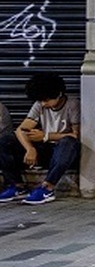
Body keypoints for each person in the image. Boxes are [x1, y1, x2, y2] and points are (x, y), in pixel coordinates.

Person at [0, 72, 82, 205]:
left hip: (63, 154)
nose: (43, 104)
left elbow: (76, 135)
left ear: (59, 94)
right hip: (45, 151)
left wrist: (46, 136)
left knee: (68, 142)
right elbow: (21, 130)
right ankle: (17, 186)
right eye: (41, 100)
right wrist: (30, 148)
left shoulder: (72, 105)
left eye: (47, 100)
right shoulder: (39, 105)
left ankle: (47, 187)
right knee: (5, 140)